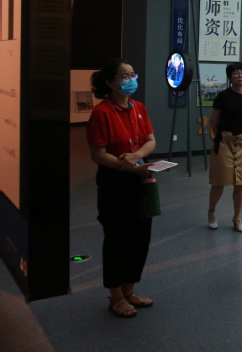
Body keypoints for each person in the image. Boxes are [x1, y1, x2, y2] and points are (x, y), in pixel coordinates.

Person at [86, 58, 156, 318]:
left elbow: (150, 140)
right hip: (114, 181)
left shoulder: (139, 107)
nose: (131, 80)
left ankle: (129, 290)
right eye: (124, 76)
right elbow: (98, 154)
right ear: (109, 82)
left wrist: (137, 156)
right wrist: (129, 166)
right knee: (117, 238)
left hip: (141, 178)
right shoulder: (102, 112)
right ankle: (115, 295)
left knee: (140, 237)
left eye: (132, 75)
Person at [207, 62, 242, 233]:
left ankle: (237, 217)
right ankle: (211, 212)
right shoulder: (223, 96)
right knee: (219, 181)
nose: (240, 76)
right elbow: (214, 120)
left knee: (241, 182)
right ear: (230, 77)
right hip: (224, 141)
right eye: (236, 73)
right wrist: (220, 136)